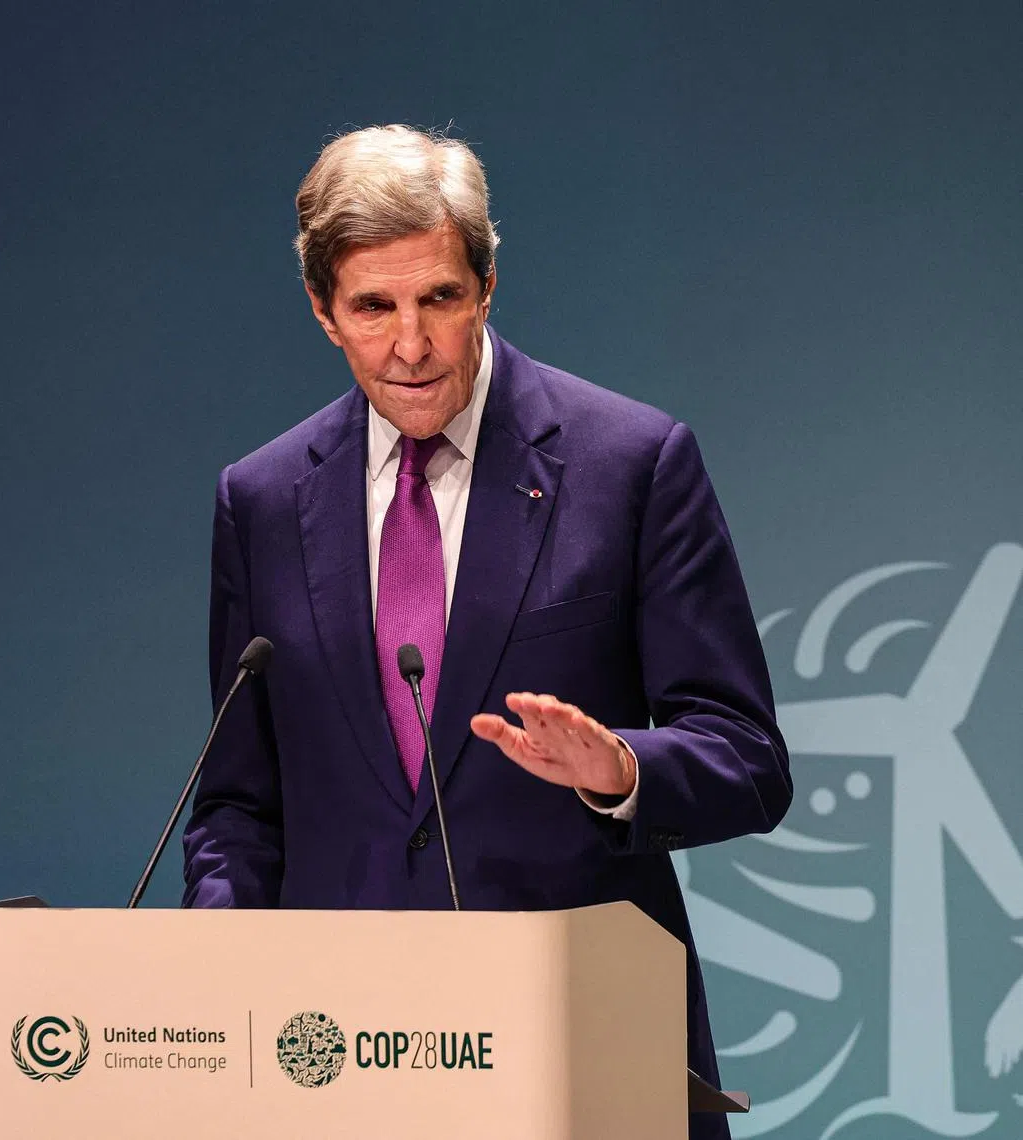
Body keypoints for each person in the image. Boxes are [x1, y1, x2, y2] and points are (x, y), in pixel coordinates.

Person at [182, 124, 791, 1138]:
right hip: (338, 1061)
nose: (410, 344)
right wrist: (213, 960)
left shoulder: (630, 465)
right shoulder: (262, 500)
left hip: (578, 1049)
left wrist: (617, 767)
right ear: (324, 313)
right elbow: (242, 802)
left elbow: (749, 758)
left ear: (488, 288)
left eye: (440, 300)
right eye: (373, 307)